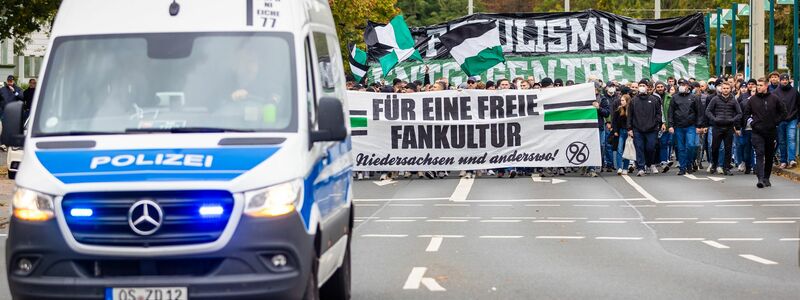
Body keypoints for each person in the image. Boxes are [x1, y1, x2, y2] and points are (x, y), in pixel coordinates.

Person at [743, 78, 787, 188]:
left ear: (766, 86)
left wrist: (776, 122)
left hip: (771, 131)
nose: (758, 87)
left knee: (769, 155)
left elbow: (783, 112)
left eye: (761, 85)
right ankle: (760, 178)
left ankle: (767, 177)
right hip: (757, 132)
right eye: (757, 85)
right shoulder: (752, 100)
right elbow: (746, 114)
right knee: (759, 153)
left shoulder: (774, 98)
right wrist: (752, 123)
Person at [705, 81, 742, 176]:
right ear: (721, 89)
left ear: (730, 89)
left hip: (729, 127)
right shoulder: (715, 99)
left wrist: (732, 120)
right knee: (715, 148)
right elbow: (708, 111)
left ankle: (726, 167)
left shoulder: (733, 100)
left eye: (727, 88)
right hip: (717, 127)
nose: (725, 90)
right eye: (724, 88)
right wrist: (714, 119)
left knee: (728, 148)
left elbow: (739, 113)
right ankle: (714, 164)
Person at [628, 79, 663, 176]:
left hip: (651, 129)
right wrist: (630, 128)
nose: (642, 87)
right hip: (637, 129)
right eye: (640, 85)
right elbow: (630, 115)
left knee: (650, 148)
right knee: (639, 148)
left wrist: (657, 124)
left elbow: (658, 114)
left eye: (644, 85)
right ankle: (641, 167)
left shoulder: (654, 99)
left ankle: (649, 163)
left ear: (648, 87)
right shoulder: (633, 100)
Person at [668, 79, 703, 175]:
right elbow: (670, 113)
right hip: (678, 126)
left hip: (691, 126)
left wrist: (699, 126)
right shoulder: (674, 97)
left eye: (683, 84)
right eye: (680, 84)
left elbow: (699, 113)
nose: (681, 86)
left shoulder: (694, 97)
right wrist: (670, 125)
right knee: (681, 148)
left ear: (688, 86)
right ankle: (682, 168)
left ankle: (689, 163)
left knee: (691, 145)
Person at [772, 74, 799, 169]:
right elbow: (773, 108)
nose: (784, 81)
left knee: (791, 139)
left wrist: (797, 118)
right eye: (782, 80)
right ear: (780, 81)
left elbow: (798, 105)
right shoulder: (775, 93)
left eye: (786, 79)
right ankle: (783, 161)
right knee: (782, 141)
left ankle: (791, 159)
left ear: (788, 80)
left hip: (792, 119)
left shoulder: (794, 92)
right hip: (780, 120)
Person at [654, 81, 674, 172]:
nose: (660, 88)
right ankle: (653, 162)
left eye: (661, 86)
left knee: (664, 143)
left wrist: (669, 124)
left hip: (666, 124)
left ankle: (663, 161)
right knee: (654, 145)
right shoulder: (652, 97)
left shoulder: (670, 97)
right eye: (658, 87)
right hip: (654, 125)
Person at [735, 82, 755, 173]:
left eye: (756, 91)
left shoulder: (762, 101)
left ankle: (755, 167)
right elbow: (740, 115)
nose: (754, 92)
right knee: (747, 148)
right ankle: (747, 165)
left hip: (757, 129)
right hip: (747, 128)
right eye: (753, 91)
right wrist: (738, 127)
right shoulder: (744, 102)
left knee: (756, 149)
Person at [613, 94, 632, 175]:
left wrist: (631, 130)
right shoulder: (618, 110)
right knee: (619, 149)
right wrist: (615, 131)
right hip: (621, 132)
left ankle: (625, 168)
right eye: (621, 100)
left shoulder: (631, 110)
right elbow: (615, 122)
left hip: (629, 132)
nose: (621, 102)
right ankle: (620, 167)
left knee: (627, 150)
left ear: (627, 101)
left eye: (623, 100)